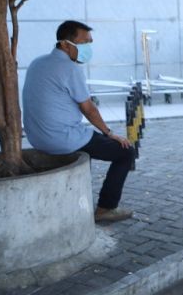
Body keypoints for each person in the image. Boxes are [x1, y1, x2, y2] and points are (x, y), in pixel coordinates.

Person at [22, 21, 135, 223]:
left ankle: (77, 205)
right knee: (125, 152)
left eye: (90, 43)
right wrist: (110, 133)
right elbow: (89, 109)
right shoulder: (69, 68)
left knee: (86, 148)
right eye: (84, 43)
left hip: (37, 137)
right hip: (62, 137)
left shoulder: (37, 63)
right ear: (65, 44)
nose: (88, 49)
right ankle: (105, 208)